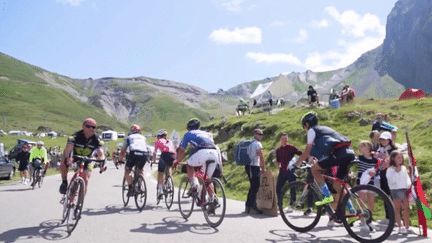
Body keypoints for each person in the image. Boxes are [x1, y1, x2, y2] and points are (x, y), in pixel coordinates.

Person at [289, 112, 356, 226]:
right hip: (349, 153)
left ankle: (327, 196)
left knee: (314, 170)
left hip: (339, 155)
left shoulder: (312, 131)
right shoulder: (324, 130)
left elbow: (307, 150)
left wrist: (296, 164)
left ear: (306, 124)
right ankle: (352, 212)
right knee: (337, 188)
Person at [173, 118, 220, 204]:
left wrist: (177, 160)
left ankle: (194, 184)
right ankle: (212, 199)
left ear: (189, 128)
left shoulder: (188, 134)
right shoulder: (206, 133)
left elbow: (182, 150)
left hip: (202, 153)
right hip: (214, 153)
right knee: (207, 179)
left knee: (189, 165)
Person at [59, 118, 105, 195]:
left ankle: (80, 200)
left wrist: (102, 164)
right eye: (88, 126)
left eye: (93, 127)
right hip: (75, 157)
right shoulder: (75, 136)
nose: (91, 129)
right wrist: (68, 158)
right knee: (64, 160)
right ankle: (64, 182)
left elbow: (101, 154)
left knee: (86, 178)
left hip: (88, 158)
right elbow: (67, 150)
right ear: (83, 126)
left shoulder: (97, 139)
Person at [275, 133, 303, 212]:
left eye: (286, 138)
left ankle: (292, 205)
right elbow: (278, 160)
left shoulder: (291, 147)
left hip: (290, 171)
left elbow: (300, 153)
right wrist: (278, 167)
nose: (285, 140)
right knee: (278, 188)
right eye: (283, 138)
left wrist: (297, 162)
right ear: (280, 139)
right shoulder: (278, 149)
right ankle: (279, 205)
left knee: (292, 187)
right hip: (282, 171)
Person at [386, 151, 412, 235]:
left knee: (406, 208)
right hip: (396, 190)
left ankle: (407, 226)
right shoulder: (390, 169)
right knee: (397, 209)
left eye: (401, 157)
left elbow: (406, 178)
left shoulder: (403, 168)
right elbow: (391, 181)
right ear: (393, 159)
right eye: (398, 157)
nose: (400, 159)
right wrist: (397, 172)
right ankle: (400, 226)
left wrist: (409, 185)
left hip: (404, 189)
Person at [242, 129, 267, 214]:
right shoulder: (257, 144)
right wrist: (263, 168)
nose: (261, 136)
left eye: (262, 134)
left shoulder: (250, 143)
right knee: (255, 186)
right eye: (259, 134)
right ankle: (252, 206)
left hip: (249, 166)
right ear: (255, 134)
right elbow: (261, 156)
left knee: (253, 186)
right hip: (253, 166)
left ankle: (249, 206)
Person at [119, 124, 148, 197]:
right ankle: (139, 186)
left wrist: (120, 159)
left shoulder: (129, 137)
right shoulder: (143, 138)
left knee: (127, 170)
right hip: (144, 154)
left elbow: (123, 150)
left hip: (134, 153)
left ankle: (131, 188)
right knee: (140, 170)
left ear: (132, 131)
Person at [357, 141, 379, 232]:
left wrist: (375, 172)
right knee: (361, 201)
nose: (360, 147)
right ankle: (362, 221)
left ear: (368, 148)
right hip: (361, 181)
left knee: (371, 201)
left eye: (363, 146)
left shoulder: (375, 160)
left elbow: (377, 170)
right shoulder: (359, 158)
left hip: (371, 182)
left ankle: (369, 220)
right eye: (360, 146)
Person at [374, 131, 396, 222]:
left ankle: (395, 217)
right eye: (381, 139)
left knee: (393, 196)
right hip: (382, 174)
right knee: (385, 195)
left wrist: (388, 161)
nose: (383, 141)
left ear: (389, 140)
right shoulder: (379, 149)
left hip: (391, 175)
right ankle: (388, 217)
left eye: (385, 139)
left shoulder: (393, 151)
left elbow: (397, 163)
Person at [153, 129, 176, 199]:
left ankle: (160, 190)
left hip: (165, 155)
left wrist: (154, 161)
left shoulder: (158, 141)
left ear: (159, 136)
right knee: (169, 167)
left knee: (160, 173)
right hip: (173, 156)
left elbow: (155, 153)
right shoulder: (170, 141)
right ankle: (169, 180)